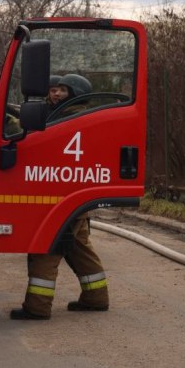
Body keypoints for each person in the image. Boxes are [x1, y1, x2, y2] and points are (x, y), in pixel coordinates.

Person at [10, 72, 109, 320]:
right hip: (75, 199)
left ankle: (37, 306)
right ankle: (96, 297)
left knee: (46, 248)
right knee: (80, 250)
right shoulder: (76, 114)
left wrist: (9, 119)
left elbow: (35, 131)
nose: (56, 93)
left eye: (63, 90)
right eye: (54, 89)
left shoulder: (67, 117)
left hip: (60, 199)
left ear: (76, 94)